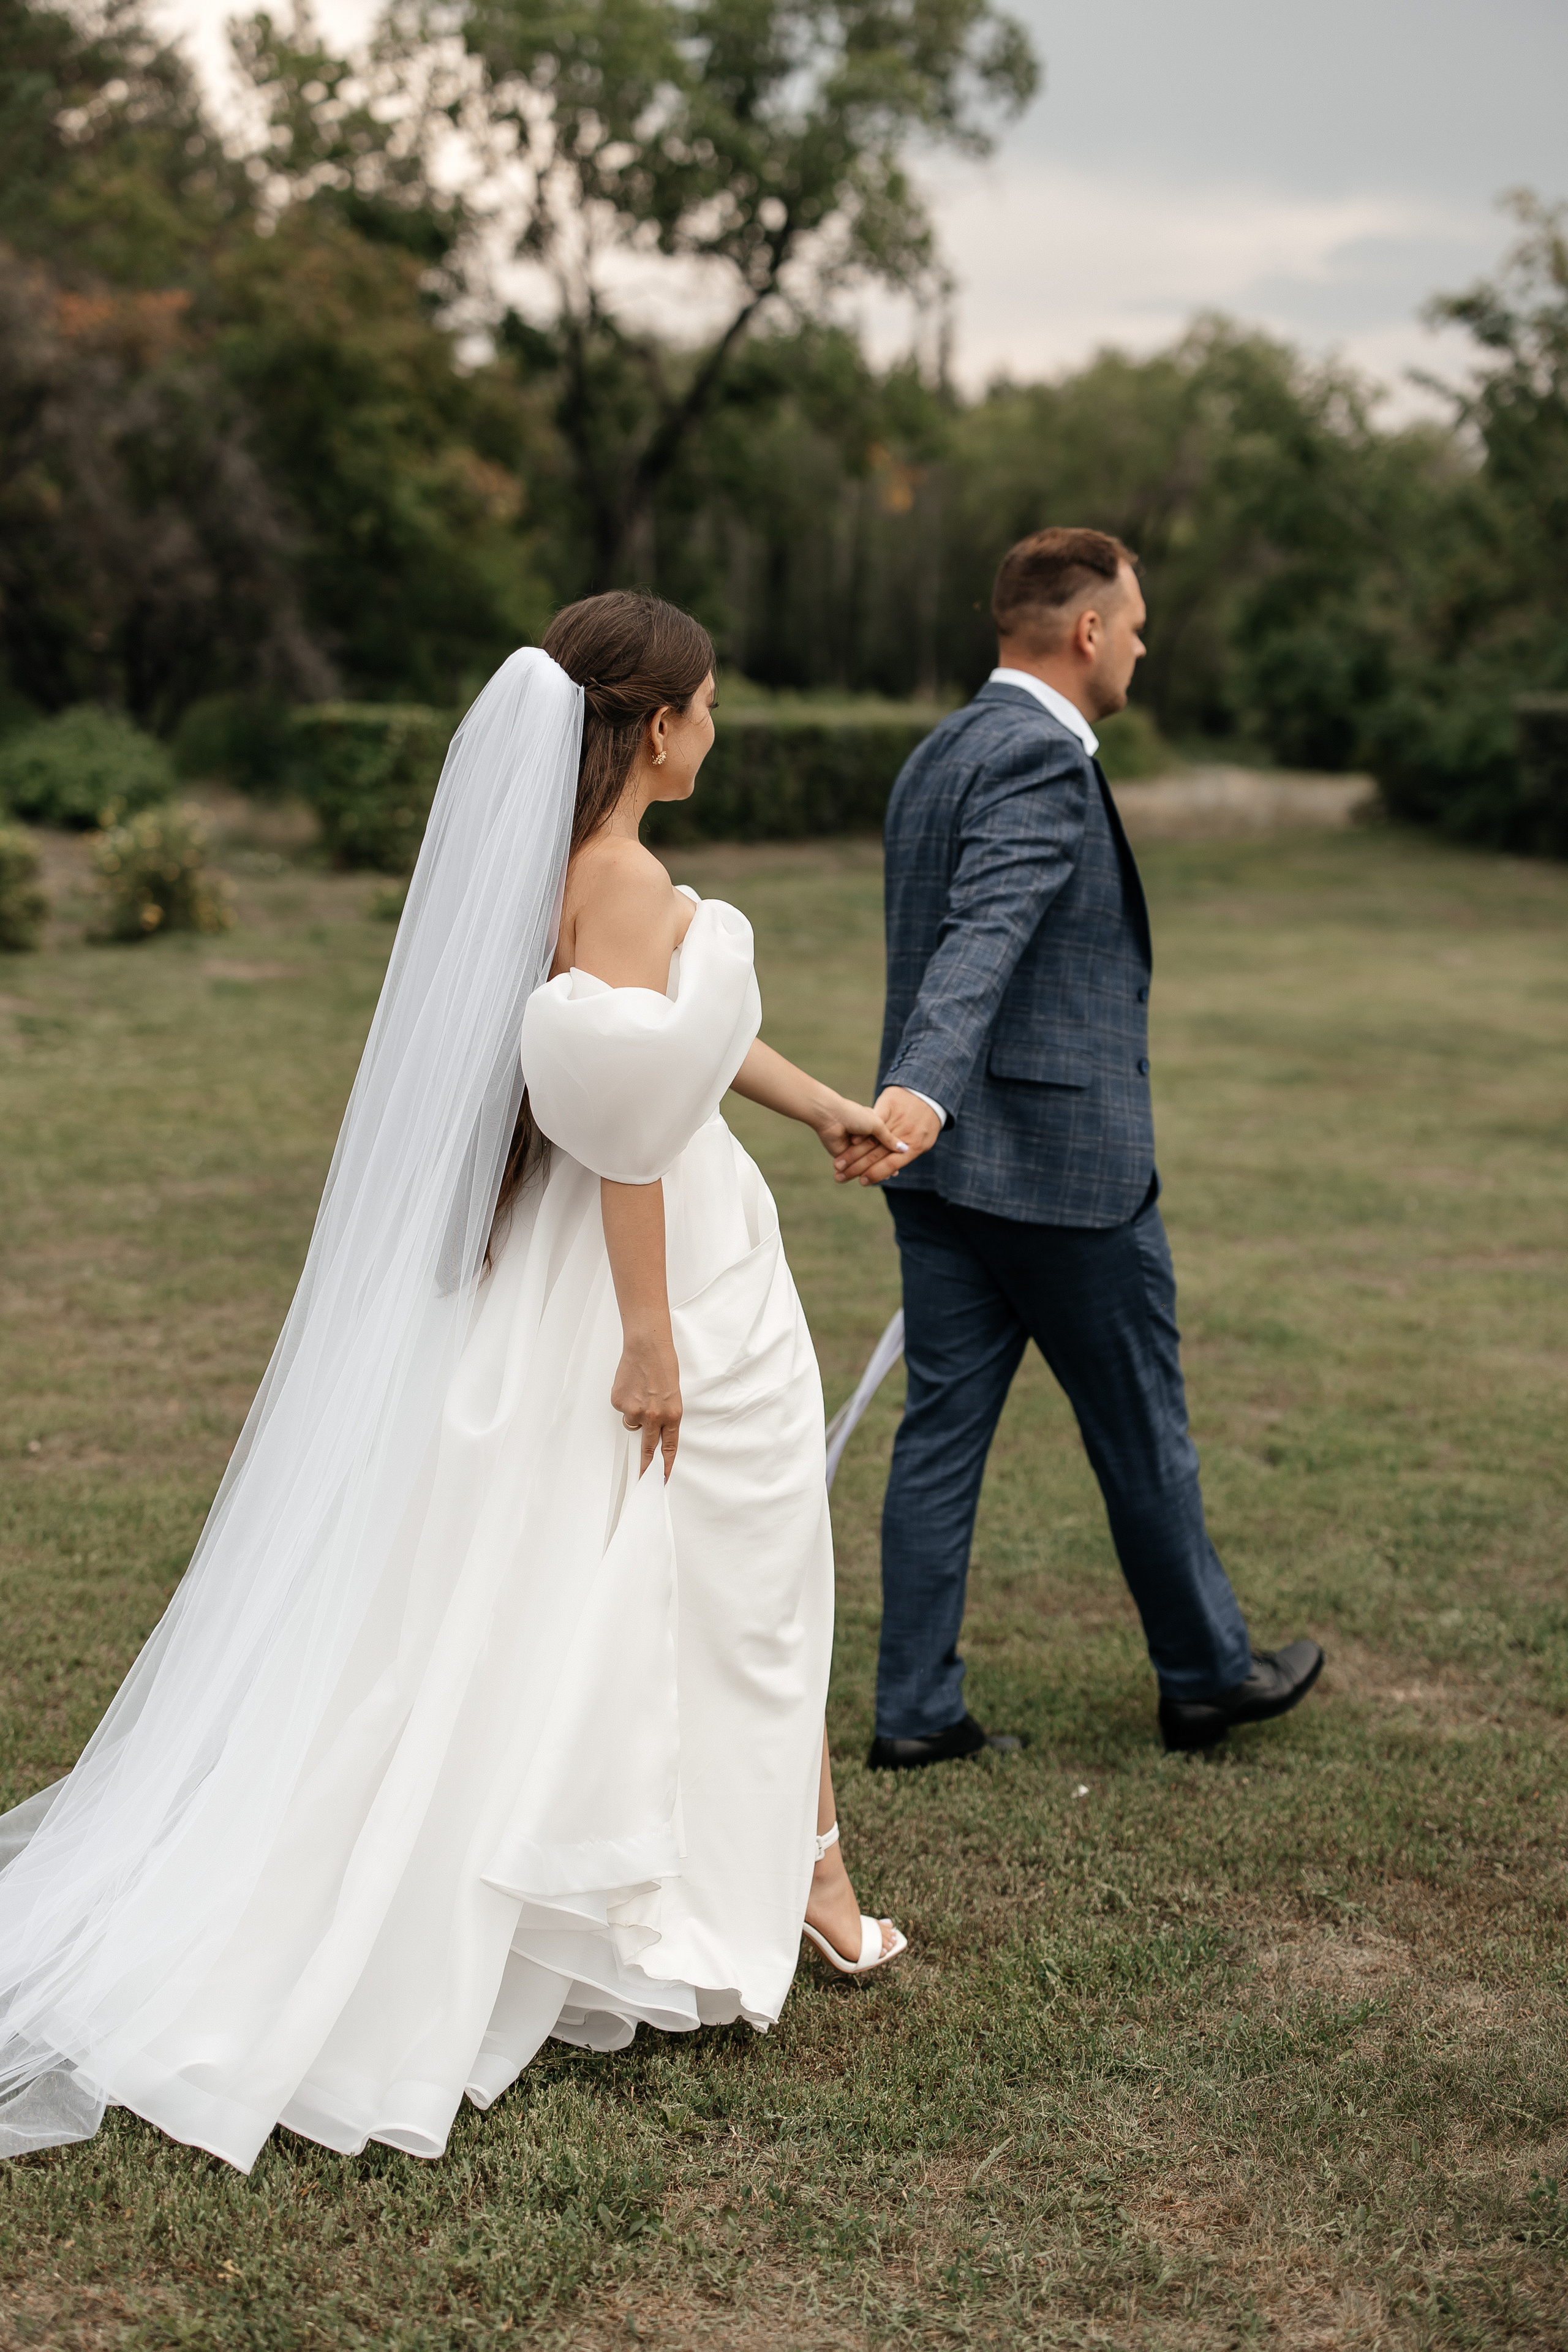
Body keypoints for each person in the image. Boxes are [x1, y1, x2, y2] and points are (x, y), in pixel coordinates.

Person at [0, 592, 904, 2174]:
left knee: (669, 1580)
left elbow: (676, 1046)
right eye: (711, 704)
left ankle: (798, 1874)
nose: (721, 726)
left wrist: (823, 1101)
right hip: (648, 1272)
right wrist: (649, 1336)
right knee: (727, 1576)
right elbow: (628, 1121)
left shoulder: (562, 877)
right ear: (658, 724)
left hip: (600, 1255)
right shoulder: (620, 883)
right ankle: (774, 1884)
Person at [835, 528, 1324, 1762]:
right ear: (1085, 631)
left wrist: (915, 1109)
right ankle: (1206, 1675)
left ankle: (913, 1714)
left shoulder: (938, 751)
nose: (1145, 642)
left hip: (940, 1178)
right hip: (1053, 1172)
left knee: (939, 1433)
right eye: (1137, 621)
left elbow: (949, 944)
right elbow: (981, 940)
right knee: (1139, 1426)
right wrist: (926, 1092)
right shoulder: (1038, 763)